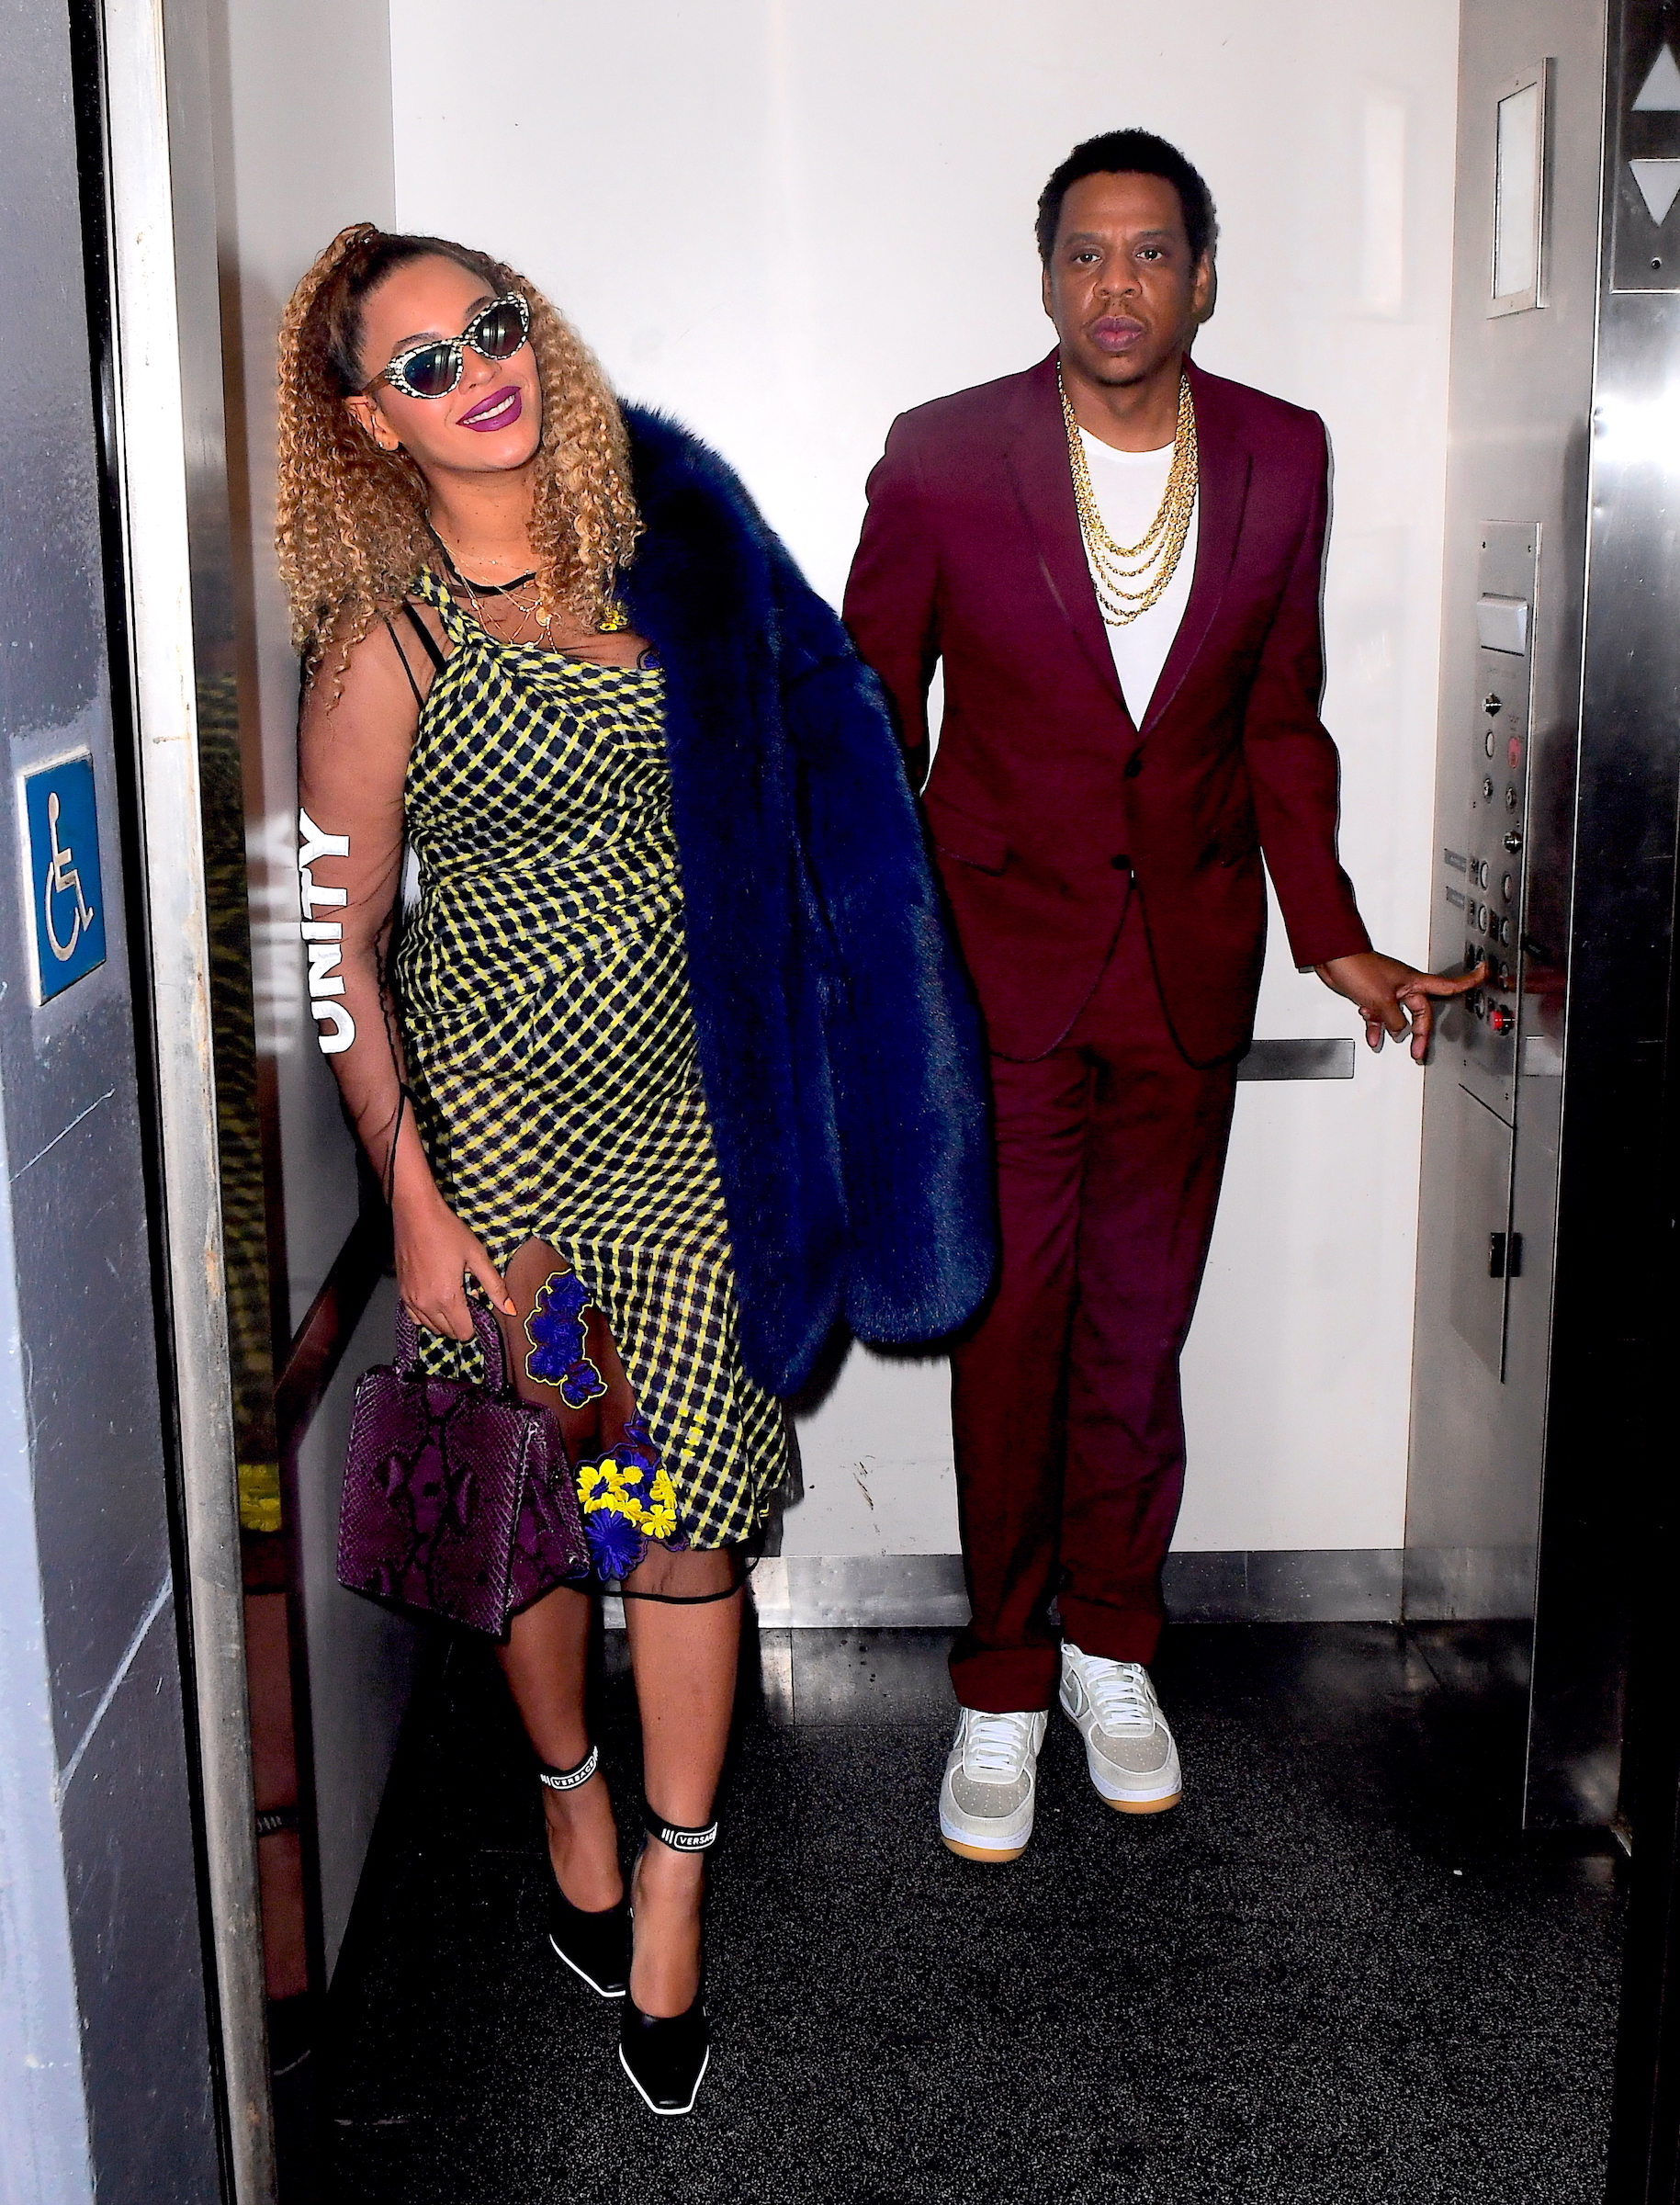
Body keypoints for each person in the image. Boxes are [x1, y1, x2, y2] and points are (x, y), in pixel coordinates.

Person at [276, 224, 991, 2109]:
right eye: (423, 364)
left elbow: (825, 773)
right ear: (369, 419)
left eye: (491, 328)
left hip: (692, 1116)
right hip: (500, 1143)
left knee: (681, 1504)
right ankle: (572, 1802)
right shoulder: (386, 637)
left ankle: (674, 1882)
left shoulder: (672, 558)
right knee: (546, 1495)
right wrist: (412, 1197)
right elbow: (329, 951)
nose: (477, 372)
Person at [843, 130, 1481, 1863]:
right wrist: (860, 948)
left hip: (1181, 975)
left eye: (1147, 255)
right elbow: (866, 714)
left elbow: (1284, 718)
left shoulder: (1278, 453)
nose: (1112, 287)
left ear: (1201, 274)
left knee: (1135, 1338)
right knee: (1010, 1339)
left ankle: (1110, 1651)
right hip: (995, 979)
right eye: (1081, 255)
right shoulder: (946, 457)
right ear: (1042, 274)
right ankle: (996, 1686)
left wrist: (1330, 932)